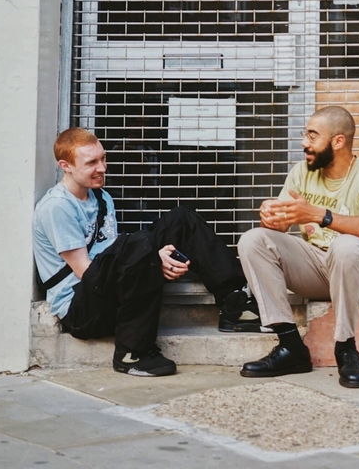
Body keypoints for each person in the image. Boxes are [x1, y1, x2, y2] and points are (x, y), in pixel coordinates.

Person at [32, 128, 263, 378]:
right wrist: (149, 259)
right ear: (65, 166)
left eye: (103, 158)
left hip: (106, 291)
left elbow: (112, 256)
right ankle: (133, 352)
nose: (102, 168)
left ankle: (234, 305)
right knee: (139, 243)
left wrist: (148, 259)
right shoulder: (57, 207)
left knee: (181, 220)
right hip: (81, 310)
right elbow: (86, 273)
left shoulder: (101, 198)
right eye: (91, 163)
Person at [237, 106, 359, 388]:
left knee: (346, 247)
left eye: (312, 136)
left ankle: (346, 348)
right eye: (304, 135)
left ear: (338, 141)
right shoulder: (302, 172)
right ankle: (291, 348)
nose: (304, 143)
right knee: (253, 240)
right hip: (320, 269)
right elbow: (279, 229)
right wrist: (270, 215)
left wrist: (320, 215)